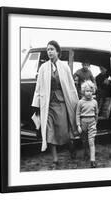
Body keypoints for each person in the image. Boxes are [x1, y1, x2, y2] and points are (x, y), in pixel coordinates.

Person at [32, 40, 79, 168]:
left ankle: (71, 146)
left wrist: (76, 102)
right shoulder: (43, 68)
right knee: (49, 131)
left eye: (52, 49)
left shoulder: (65, 67)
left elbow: (71, 86)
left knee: (64, 131)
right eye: (48, 50)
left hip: (62, 103)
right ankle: (55, 159)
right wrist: (36, 104)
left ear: (58, 51)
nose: (49, 52)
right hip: (48, 104)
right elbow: (38, 87)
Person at [76, 80, 98, 168]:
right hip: (83, 123)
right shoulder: (80, 102)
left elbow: (96, 114)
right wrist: (78, 125)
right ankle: (86, 152)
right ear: (83, 92)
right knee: (84, 141)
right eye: (87, 91)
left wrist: (95, 123)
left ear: (92, 91)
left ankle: (92, 160)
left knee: (91, 141)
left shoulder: (94, 102)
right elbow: (77, 114)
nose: (89, 93)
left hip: (92, 122)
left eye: (90, 91)